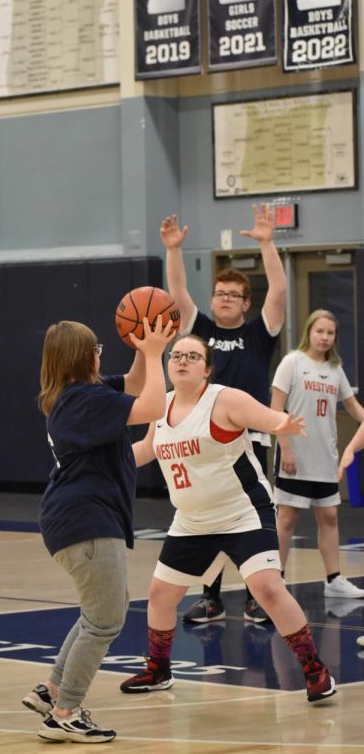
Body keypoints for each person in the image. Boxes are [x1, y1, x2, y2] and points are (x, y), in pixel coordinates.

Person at [119, 333, 337, 705]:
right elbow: (146, 448)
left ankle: (314, 668)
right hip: (191, 521)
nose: (182, 360)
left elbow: (268, 417)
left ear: (206, 369)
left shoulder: (224, 399)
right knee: (159, 594)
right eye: (176, 355)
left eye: (192, 356)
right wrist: (106, 461)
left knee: (267, 588)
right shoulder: (162, 405)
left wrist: (282, 423)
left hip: (242, 514)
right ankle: (159, 668)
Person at [22, 315, 176, 744]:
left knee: (98, 614)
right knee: (107, 619)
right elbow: (151, 406)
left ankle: (52, 691)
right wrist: (153, 351)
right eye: (97, 348)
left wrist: (141, 343)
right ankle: (65, 713)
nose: (100, 354)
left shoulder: (80, 395)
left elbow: (133, 381)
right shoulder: (83, 402)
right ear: (84, 356)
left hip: (75, 516)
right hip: (85, 518)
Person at [161, 203, 285, 624]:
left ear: (246, 303)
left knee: (248, 514)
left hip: (251, 436)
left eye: (234, 295)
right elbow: (177, 295)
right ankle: (210, 597)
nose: (225, 299)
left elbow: (280, 293)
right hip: (204, 438)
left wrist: (268, 243)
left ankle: (256, 596)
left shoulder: (259, 334)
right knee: (206, 511)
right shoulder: (203, 336)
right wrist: (174, 250)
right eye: (220, 293)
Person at [271, 309, 364, 599]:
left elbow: (355, 410)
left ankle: (333, 579)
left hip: (325, 458)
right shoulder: (292, 363)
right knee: (287, 518)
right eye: (320, 331)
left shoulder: (336, 369)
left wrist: (350, 449)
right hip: (294, 456)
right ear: (309, 332)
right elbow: (275, 410)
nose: (325, 337)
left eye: (331, 333)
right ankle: (276, 579)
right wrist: (285, 446)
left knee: (330, 517)